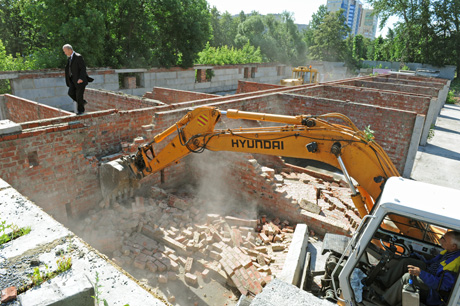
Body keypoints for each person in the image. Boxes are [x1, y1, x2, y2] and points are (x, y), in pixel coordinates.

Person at [378, 231, 460, 305]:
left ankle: (385, 301)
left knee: (408, 277)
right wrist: (418, 256)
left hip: (433, 289)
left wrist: (421, 273)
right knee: (407, 262)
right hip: (429, 272)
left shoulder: (455, 265)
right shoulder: (449, 252)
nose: (440, 239)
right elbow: (432, 263)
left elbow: (441, 285)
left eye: (444, 239)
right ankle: (383, 283)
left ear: (453, 246)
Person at [62, 44, 93, 115]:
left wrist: (81, 78)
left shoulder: (78, 57)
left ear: (70, 50)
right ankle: (82, 102)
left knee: (79, 95)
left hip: (80, 80)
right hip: (73, 80)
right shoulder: (70, 58)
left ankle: (81, 111)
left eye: (65, 51)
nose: (65, 53)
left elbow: (83, 68)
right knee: (70, 93)